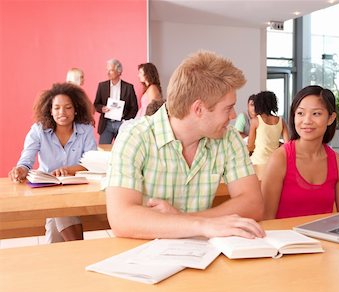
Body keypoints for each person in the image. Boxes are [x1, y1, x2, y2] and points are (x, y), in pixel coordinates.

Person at [105, 50, 265, 240]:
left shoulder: (228, 138)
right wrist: (201, 225)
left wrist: (183, 220)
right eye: (228, 108)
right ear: (198, 109)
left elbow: (253, 204)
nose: (233, 116)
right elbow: (122, 219)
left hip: (203, 256)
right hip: (146, 259)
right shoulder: (135, 137)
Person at [8, 83, 97, 242]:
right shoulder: (38, 130)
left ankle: (68, 253)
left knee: (56, 221)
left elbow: (92, 162)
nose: (62, 112)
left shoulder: (85, 130)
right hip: (46, 188)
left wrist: (68, 170)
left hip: (77, 188)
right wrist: (20, 169)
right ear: (50, 110)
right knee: (60, 211)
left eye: (67, 107)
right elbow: (26, 160)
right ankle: (77, 248)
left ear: (75, 109)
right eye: (56, 108)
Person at [262, 85, 339, 219]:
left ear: (331, 118)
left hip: (324, 239)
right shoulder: (280, 158)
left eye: (316, 113)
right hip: (285, 239)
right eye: (300, 113)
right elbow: (266, 220)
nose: (307, 121)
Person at [94, 58, 138, 144]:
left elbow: (134, 108)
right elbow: (96, 104)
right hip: (106, 124)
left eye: (111, 70)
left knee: (121, 152)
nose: (108, 73)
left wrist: (125, 120)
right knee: (103, 151)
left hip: (122, 124)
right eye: (107, 70)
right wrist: (102, 108)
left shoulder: (128, 87)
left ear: (119, 72)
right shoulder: (102, 86)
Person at [247, 91, 289, 165]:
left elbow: (250, 146)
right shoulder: (281, 121)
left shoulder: (255, 121)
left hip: (258, 162)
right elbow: (287, 144)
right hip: (274, 163)